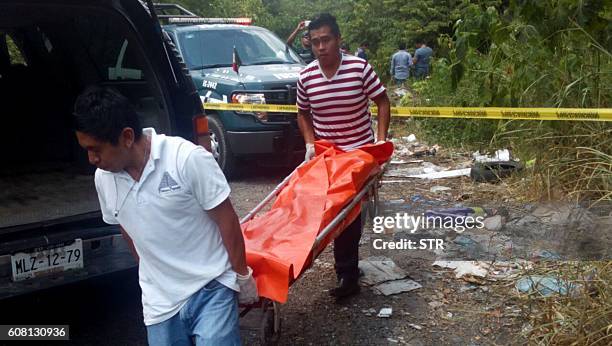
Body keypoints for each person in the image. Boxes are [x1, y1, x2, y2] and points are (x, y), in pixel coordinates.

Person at [73, 86, 258, 346]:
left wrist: (241, 276)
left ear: (127, 137)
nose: (91, 159)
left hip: (211, 287)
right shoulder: (104, 179)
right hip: (160, 303)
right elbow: (125, 226)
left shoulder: (186, 159)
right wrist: (151, 274)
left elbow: (226, 219)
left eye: (96, 149)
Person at [296, 13, 391, 299]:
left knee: (347, 214)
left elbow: (382, 101)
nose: (321, 47)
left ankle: (347, 274)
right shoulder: (307, 77)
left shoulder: (359, 69)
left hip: (360, 154)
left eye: (326, 40)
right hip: (328, 157)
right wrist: (310, 143)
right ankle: (344, 266)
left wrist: (381, 139)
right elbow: (302, 113)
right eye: (315, 42)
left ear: (338, 40)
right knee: (324, 210)